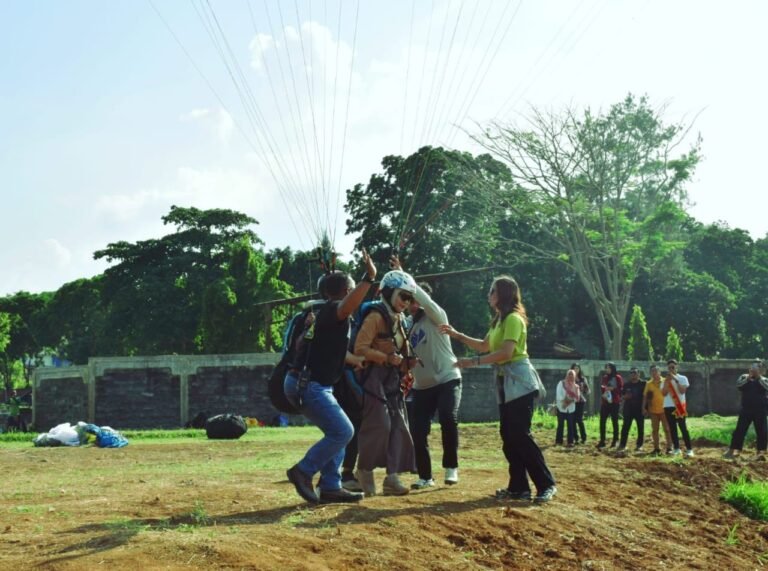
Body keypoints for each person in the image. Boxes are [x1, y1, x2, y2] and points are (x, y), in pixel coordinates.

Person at [440, 275, 557, 503]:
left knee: (520, 435)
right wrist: (457, 335)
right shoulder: (499, 320)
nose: (489, 295)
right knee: (509, 435)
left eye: (492, 291)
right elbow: (485, 346)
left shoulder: (513, 319)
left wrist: (472, 362)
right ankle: (518, 488)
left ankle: (546, 484)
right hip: (506, 384)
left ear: (502, 294)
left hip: (520, 382)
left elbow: (506, 353)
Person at [284, 248, 377, 504]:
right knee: (343, 432)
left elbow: (333, 351)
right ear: (347, 291)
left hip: (307, 383)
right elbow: (347, 306)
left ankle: (330, 486)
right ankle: (303, 471)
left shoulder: (325, 315)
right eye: (352, 289)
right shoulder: (334, 310)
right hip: (309, 385)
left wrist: (356, 360)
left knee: (337, 431)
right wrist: (369, 277)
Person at [389, 257, 462, 490]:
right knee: (418, 430)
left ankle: (451, 467)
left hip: (447, 378)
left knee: (448, 418)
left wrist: (404, 274)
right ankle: (425, 476)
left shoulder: (437, 315)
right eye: (407, 300)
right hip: (423, 386)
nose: (411, 304)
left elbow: (426, 301)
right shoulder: (408, 324)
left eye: (413, 299)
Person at [353, 270, 417, 496]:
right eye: (403, 296)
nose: (406, 303)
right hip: (373, 378)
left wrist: (407, 366)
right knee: (380, 424)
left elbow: (402, 349)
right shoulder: (376, 317)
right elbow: (360, 349)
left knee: (399, 426)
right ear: (389, 293)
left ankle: (392, 478)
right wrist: (386, 358)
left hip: (393, 379)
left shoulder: (400, 320)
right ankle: (364, 470)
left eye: (410, 299)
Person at [723, 361, 768, 460]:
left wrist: (758, 377)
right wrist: (748, 378)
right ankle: (732, 450)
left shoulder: (764, 380)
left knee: (762, 431)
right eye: (753, 368)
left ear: (760, 370)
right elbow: (739, 386)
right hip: (746, 409)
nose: (754, 370)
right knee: (740, 430)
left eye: (757, 368)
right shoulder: (744, 377)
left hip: (761, 410)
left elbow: (766, 387)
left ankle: (761, 453)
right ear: (749, 369)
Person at [661, 359, 694, 457]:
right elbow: (663, 393)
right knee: (672, 428)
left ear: (676, 367)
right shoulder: (665, 380)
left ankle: (689, 449)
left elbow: (682, 391)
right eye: (669, 367)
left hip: (679, 406)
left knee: (683, 427)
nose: (671, 369)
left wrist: (675, 379)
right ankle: (676, 448)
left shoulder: (682, 378)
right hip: (668, 406)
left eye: (673, 367)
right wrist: (667, 381)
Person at [643, 364, 672, 457]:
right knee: (655, 430)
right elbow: (645, 396)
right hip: (653, 410)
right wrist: (643, 407)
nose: (654, 373)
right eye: (652, 371)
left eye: (656, 371)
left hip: (665, 410)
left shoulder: (665, 381)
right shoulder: (648, 384)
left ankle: (669, 448)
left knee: (667, 429)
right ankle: (656, 448)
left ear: (659, 372)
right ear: (650, 373)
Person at [618, 367, 646, 452]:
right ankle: (622, 444)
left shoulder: (643, 384)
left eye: (635, 373)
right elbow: (621, 396)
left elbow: (647, 396)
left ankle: (639, 445)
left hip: (639, 409)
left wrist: (645, 408)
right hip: (628, 409)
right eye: (631, 373)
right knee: (625, 427)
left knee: (640, 428)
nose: (633, 375)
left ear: (638, 374)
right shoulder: (627, 384)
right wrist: (625, 397)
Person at [598, 363, 623, 448]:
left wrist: (613, 389)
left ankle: (615, 440)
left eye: (609, 368)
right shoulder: (605, 377)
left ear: (613, 368)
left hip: (614, 402)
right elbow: (602, 388)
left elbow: (621, 389)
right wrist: (605, 389)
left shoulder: (617, 377)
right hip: (605, 402)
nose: (607, 369)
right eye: (606, 368)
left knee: (614, 421)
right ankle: (602, 440)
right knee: (602, 421)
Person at [555, 369, 580, 447]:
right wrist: (564, 401)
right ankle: (559, 441)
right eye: (569, 374)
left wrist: (569, 401)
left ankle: (570, 441)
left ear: (574, 377)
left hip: (571, 409)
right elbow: (558, 394)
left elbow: (577, 398)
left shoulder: (576, 387)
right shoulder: (561, 383)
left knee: (570, 425)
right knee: (560, 425)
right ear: (567, 375)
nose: (570, 376)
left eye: (572, 375)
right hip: (561, 407)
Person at [571, 363, 589, 444]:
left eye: (577, 368)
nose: (576, 370)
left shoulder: (583, 379)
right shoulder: (569, 379)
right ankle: (576, 438)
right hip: (571, 401)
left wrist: (582, 390)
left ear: (579, 369)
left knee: (579, 419)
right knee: (573, 420)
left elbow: (587, 390)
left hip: (580, 401)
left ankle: (584, 437)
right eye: (574, 368)